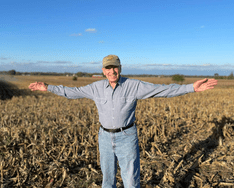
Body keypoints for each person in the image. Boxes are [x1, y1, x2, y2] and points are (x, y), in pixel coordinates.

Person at [28, 55, 218, 188]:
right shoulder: (95, 88)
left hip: (127, 136)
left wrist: (191, 87)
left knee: (131, 181)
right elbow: (72, 92)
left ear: (120, 68)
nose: (112, 71)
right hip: (104, 136)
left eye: (115, 67)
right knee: (107, 180)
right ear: (103, 71)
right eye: (108, 68)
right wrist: (48, 87)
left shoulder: (133, 85)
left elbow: (163, 90)